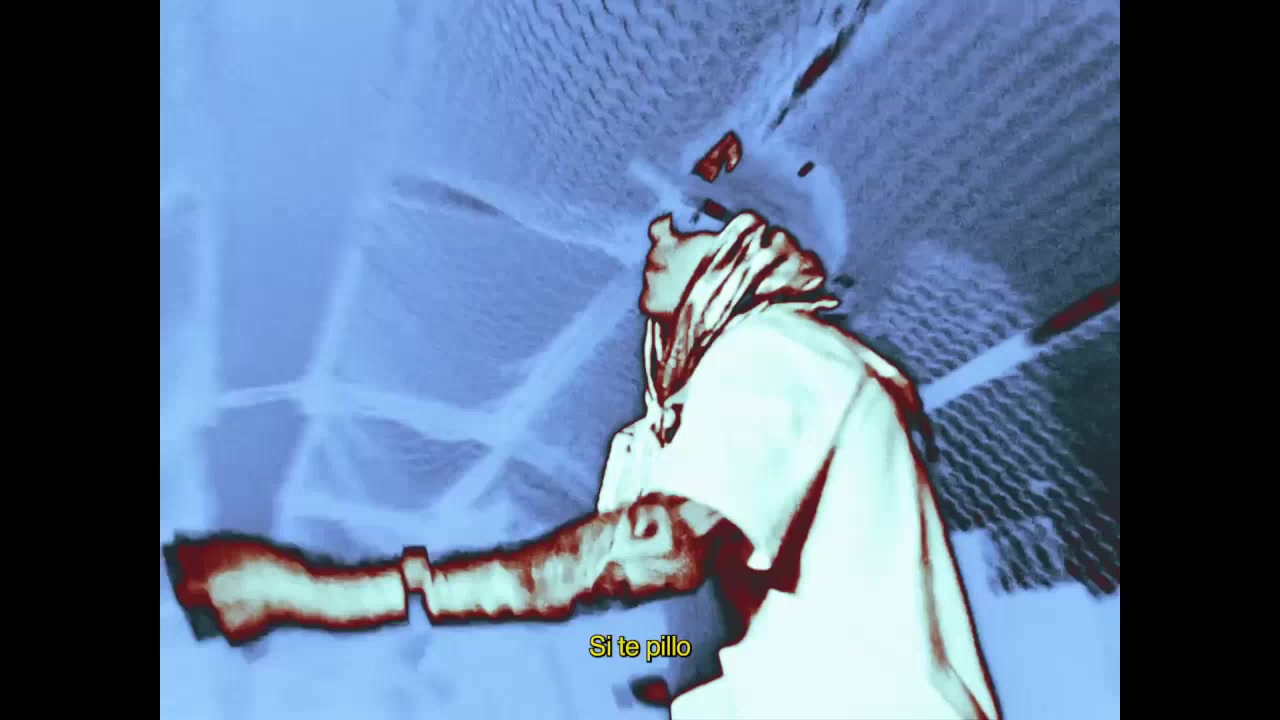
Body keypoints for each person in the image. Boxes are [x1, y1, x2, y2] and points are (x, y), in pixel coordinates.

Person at [166, 210, 1000, 719]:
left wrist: (322, 595)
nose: (658, 232)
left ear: (746, 248)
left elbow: (645, 556)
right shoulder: (671, 428)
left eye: (694, 219)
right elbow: (653, 630)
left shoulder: (778, 351)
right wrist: (616, 666)